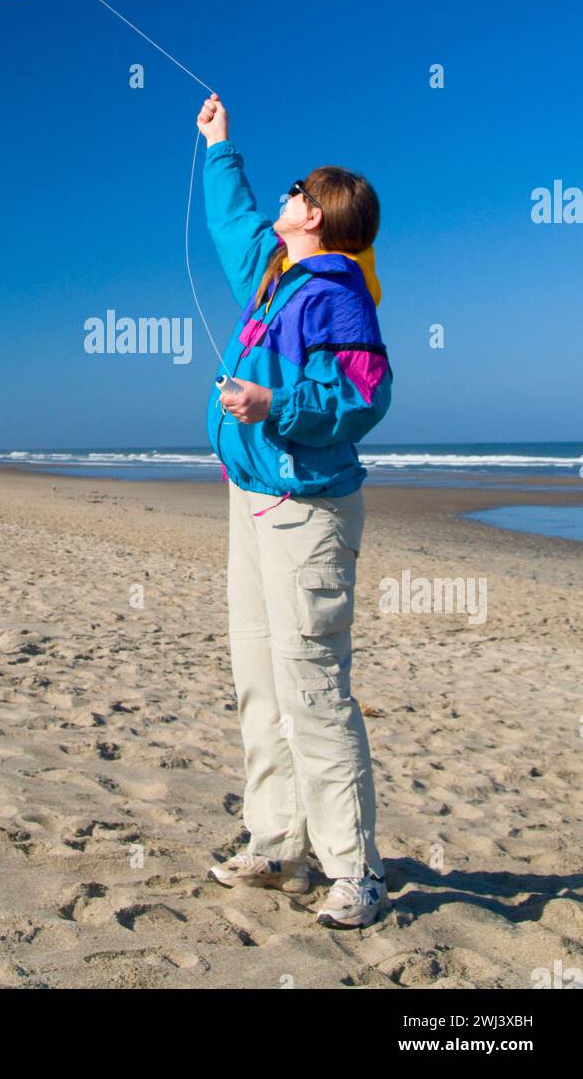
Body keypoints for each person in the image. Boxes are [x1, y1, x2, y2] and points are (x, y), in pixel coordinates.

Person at [197, 92, 392, 929]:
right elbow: (234, 226)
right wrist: (218, 147)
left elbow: (362, 392)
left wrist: (272, 402)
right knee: (259, 681)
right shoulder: (274, 276)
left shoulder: (337, 289)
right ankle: (277, 843)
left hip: (307, 511)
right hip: (251, 501)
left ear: (313, 213)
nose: (280, 202)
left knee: (311, 685)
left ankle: (355, 870)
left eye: (291, 192)